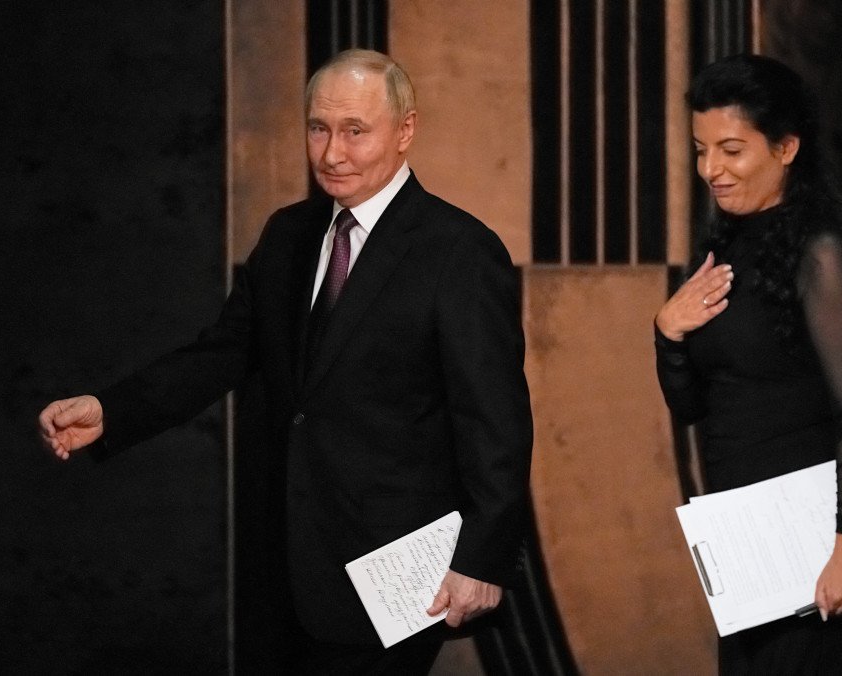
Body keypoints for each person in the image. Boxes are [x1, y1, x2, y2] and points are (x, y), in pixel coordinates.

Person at [38, 48, 533, 674]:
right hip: (284, 562)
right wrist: (113, 410)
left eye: (356, 131)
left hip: (399, 575)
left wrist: (482, 561)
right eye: (318, 128)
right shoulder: (289, 234)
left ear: (405, 130)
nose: (332, 153)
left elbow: (496, 422)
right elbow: (224, 351)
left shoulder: (460, 251)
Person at [654, 53, 842, 674]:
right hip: (745, 548)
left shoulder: (822, 251)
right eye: (701, 150)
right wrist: (667, 335)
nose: (710, 170)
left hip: (813, 547)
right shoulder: (721, 245)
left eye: (731, 150)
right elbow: (694, 406)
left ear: (786, 147)